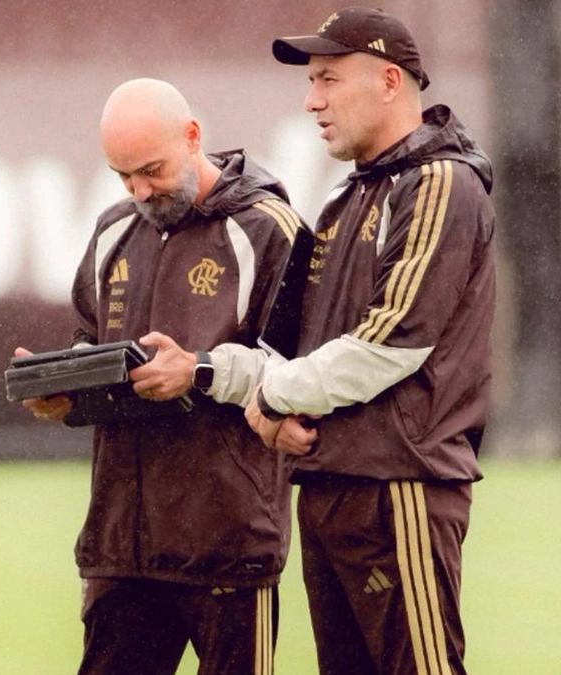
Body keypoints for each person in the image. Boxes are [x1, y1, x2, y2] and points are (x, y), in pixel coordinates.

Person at [146, 8, 495, 674]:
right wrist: (210, 373)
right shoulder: (345, 201)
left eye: (329, 79)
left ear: (390, 80)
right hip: (330, 486)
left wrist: (273, 396)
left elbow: (389, 345)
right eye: (312, 81)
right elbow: (292, 357)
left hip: (399, 489)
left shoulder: (439, 183)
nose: (312, 100)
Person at [17, 78, 301, 675]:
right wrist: (61, 384)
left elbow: (299, 371)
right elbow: (88, 340)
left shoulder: (269, 228)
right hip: (121, 545)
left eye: (151, 169)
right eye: (124, 176)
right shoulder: (113, 229)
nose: (140, 190)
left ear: (192, 136)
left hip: (229, 543)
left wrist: (196, 371)